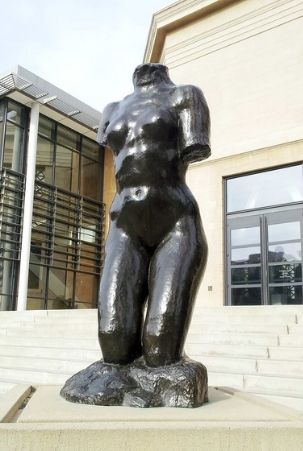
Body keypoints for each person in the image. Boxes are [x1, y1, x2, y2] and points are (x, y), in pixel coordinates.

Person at [96, 63, 210, 367]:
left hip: (174, 224)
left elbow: (196, 145)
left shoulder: (185, 96)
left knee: (161, 349)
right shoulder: (111, 109)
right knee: (114, 342)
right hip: (124, 225)